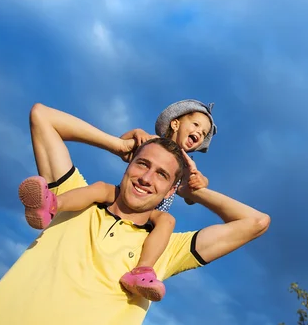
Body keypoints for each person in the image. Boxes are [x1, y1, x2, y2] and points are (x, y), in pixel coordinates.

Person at [0, 103, 270, 325]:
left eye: (161, 175)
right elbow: (42, 116)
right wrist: (118, 144)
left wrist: (193, 190)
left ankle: (146, 256)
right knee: (73, 196)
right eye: (142, 164)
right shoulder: (76, 199)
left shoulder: (164, 249)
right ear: (128, 164)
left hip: (154, 242)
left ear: (170, 190)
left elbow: (256, 222)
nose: (147, 178)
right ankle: (47, 206)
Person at [16, 99, 218, 301]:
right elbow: (124, 146)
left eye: (203, 133)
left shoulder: (186, 166)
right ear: (175, 124)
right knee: (100, 189)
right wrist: (133, 135)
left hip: (151, 212)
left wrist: (201, 182)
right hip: (124, 194)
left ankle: (142, 270)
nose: (199, 133)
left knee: (167, 221)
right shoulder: (151, 140)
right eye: (196, 125)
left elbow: (191, 198)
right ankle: (51, 204)